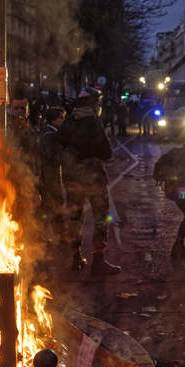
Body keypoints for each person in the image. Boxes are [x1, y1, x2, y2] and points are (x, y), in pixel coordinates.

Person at [58, 87, 121, 274]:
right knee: (101, 217)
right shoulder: (93, 122)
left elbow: (58, 147)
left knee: (75, 218)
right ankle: (98, 260)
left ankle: (76, 258)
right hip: (93, 179)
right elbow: (107, 153)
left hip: (72, 178)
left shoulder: (69, 121)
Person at [39, 106, 66, 245]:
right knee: (54, 205)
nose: (63, 120)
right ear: (53, 120)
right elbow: (50, 156)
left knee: (50, 206)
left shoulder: (47, 133)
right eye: (61, 118)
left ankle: (56, 234)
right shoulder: (51, 135)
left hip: (49, 175)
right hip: (50, 176)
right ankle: (58, 235)